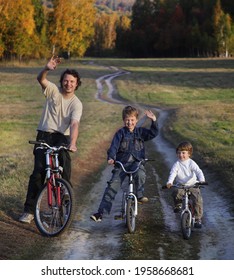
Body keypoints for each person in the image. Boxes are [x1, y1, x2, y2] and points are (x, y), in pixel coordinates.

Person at [19, 56, 83, 223]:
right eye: (66, 81)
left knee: (64, 166)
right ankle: (29, 211)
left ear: (77, 84)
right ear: (62, 82)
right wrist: (46, 68)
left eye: (72, 81)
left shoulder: (77, 104)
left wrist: (73, 143)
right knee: (38, 173)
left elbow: (75, 124)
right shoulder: (53, 90)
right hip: (44, 134)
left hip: (62, 137)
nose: (68, 84)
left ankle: (64, 202)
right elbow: (41, 79)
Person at [90, 105, 158, 222]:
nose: (130, 122)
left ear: (136, 120)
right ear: (123, 120)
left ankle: (139, 195)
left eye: (132, 120)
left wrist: (154, 121)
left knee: (141, 174)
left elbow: (153, 133)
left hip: (136, 163)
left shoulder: (140, 132)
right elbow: (113, 147)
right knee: (112, 186)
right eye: (127, 119)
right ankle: (101, 213)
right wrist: (111, 157)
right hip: (121, 165)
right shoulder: (120, 133)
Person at [166, 141, 205, 228]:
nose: (181, 155)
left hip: (192, 185)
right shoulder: (177, 164)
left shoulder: (191, 163)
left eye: (183, 153)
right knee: (176, 192)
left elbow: (198, 171)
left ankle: (198, 219)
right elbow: (172, 173)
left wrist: (201, 180)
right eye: (179, 153)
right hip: (181, 185)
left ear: (189, 154)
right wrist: (170, 182)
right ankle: (178, 205)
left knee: (197, 200)